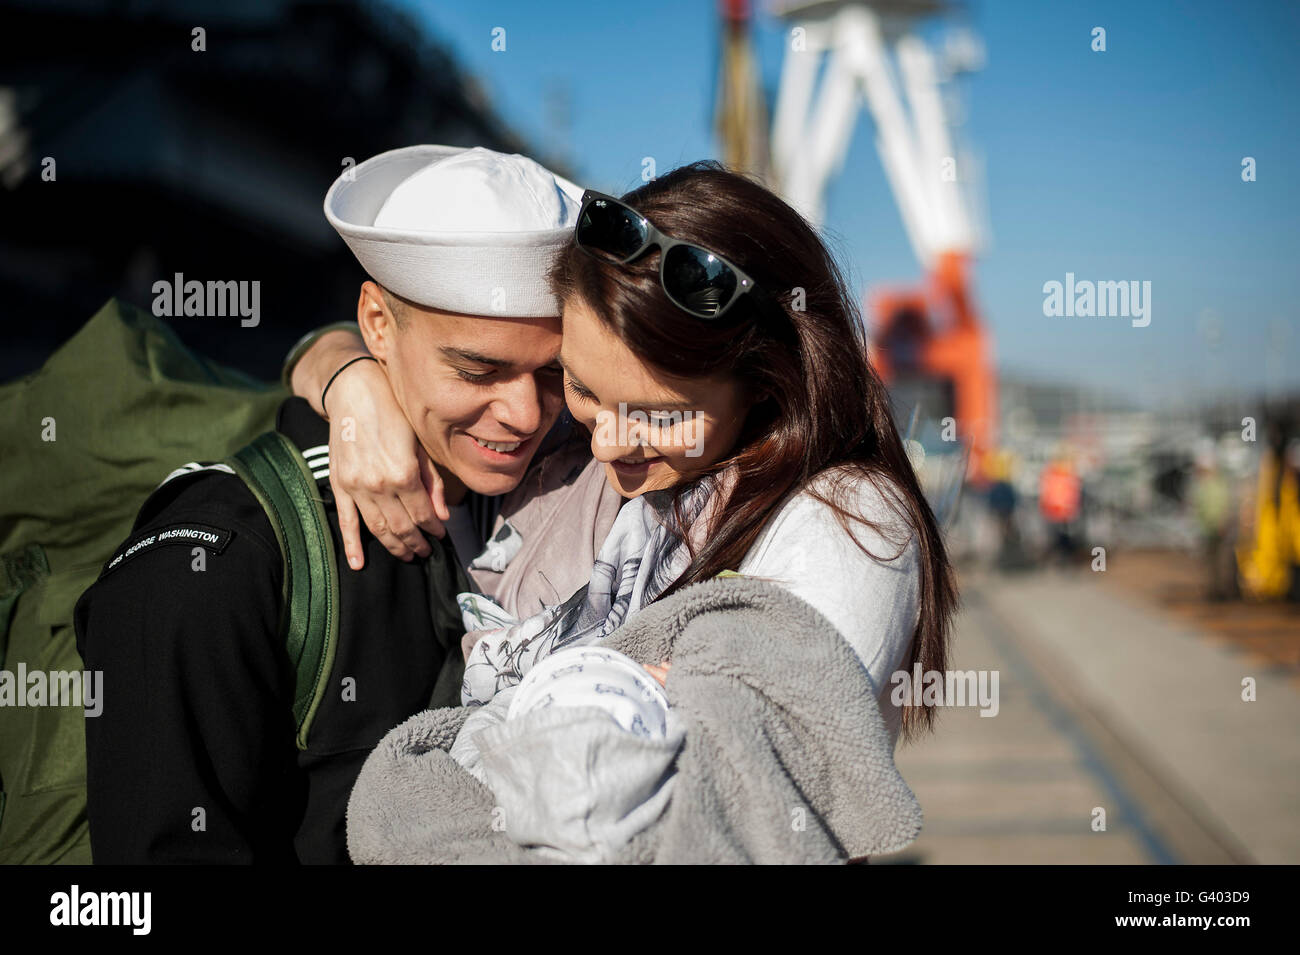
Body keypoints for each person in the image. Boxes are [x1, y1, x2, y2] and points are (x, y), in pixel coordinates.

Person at [72, 144, 620, 863]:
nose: (524, 414)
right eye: (477, 368)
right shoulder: (206, 570)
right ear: (378, 325)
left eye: (555, 373)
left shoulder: (572, 473)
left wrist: (335, 365)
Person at [303, 162, 960, 751]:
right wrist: (349, 379)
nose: (605, 444)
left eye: (660, 415)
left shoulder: (845, 527)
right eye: (581, 385)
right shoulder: (571, 453)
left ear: (771, 385)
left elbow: (727, 785)